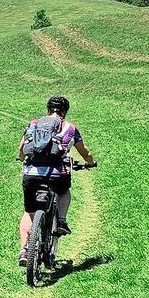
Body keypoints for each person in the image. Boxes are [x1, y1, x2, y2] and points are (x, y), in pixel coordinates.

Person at [18, 95, 94, 265]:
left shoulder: (33, 124)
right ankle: (61, 221)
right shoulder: (70, 128)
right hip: (57, 174)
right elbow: (83, 151)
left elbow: (22, 148)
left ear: (48, 109)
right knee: (64, 191)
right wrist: (90, 162)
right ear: (64, 111)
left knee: (29, 213)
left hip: (31, 174)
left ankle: (24, 250)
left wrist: (22, 158)